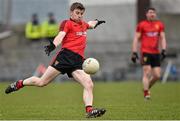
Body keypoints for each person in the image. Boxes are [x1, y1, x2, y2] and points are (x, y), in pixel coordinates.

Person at [5, 2, 106, 118]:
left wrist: (96, 22)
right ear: (71, 12)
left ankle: (89, 110)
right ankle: (19, 84)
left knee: (89, 84)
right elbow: (61, 35)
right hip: (64, 58)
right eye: (77, 13)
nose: (79, 15)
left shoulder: (84, 25)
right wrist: (53, 45)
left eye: (81, 14)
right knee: (41, 82)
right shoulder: (67, 23)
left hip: (78, 61)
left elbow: (90, 24)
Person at [131, 8, 167, 100]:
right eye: (150, 12)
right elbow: (136, 39)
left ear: (155, 14)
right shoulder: (142, 25)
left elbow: (162, 38)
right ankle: (146, 94)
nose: (152, 14)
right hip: (145, 52)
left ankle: (146, 88)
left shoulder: (159, 25)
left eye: (153, 13)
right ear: (146, 14)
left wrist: (163, 50)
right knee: (147, 72)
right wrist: (134, 52)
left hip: (156, 53)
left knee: (157, 75)